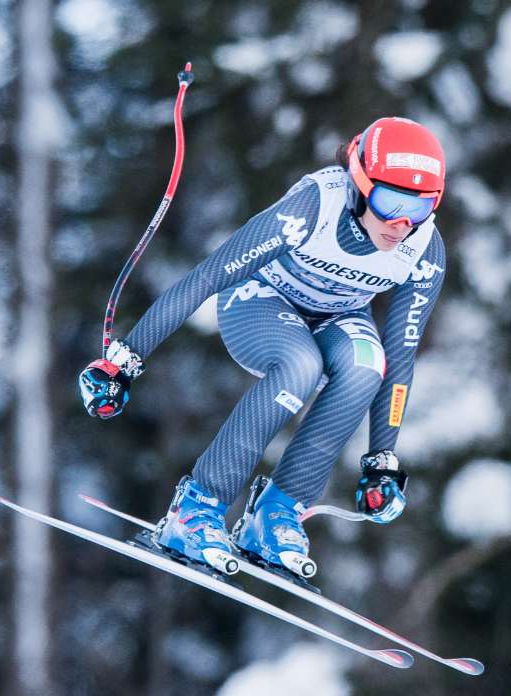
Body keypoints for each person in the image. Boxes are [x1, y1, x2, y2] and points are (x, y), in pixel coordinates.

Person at [78, 117, 447, 581]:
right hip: (261, 303)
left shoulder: (423, 249)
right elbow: (209, 277)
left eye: (420, 208)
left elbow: (402, 353)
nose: (400, 224)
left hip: (339, 317)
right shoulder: (315, 207)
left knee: (367, 364)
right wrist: (123, 361)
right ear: (358, 181)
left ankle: (275, 516)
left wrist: (382, 460)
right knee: (301, 366)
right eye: (390, 202)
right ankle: (195, 508)